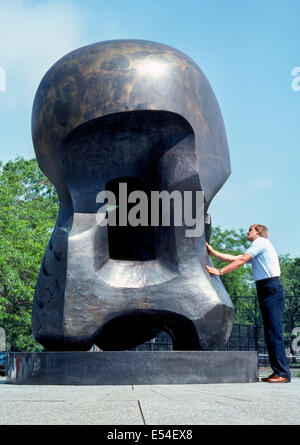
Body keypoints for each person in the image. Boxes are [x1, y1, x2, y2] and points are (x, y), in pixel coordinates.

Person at [205, 224, 291, 383]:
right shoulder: (258, 247)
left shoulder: (261, 242)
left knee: (274, 331)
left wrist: (220, 272)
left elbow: (242, 260)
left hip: (271, 287)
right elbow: (237, 258)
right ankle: (277, 371)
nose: (247, 232)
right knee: (269, 332)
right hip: (266, 289)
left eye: (250, 230)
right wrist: (213, 252)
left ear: (258, 232)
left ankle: (283, 373)